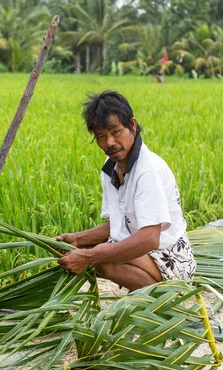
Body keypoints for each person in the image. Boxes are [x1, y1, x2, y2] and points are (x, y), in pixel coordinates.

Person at [56, 90, 196, 291]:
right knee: (74, 252)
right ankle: (144, 288)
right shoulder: (111, 165)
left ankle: (166, 296)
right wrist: (78, 239)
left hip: (171, 259)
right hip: (144, 252)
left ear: (132, 125)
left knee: (100, 258)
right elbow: (120, 221)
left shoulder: (147, 170)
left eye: (116, 132)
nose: (109, 143)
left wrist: (89, 255)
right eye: (101, 136)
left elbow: (150, 237)